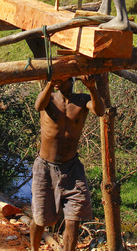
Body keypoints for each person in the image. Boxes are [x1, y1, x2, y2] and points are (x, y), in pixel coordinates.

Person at [30, 76, 104, 251]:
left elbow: (100, 111)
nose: (58, 81)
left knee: (73, 219)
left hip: (72, 168)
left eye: (62, 78)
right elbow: (38, 106)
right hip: (45, 167)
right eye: (56, 78)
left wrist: (92, 87)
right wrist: (49, 83)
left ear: (71, 79)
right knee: (40, 219)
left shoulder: (82, 100)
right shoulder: (49, 98)